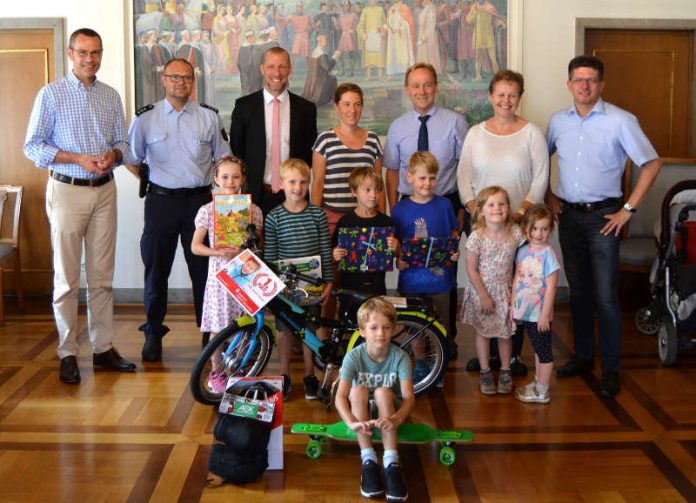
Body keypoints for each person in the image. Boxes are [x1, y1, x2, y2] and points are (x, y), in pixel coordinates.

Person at [23, 27, 136, 384]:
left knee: (102, 278)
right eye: (84, 52)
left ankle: (103, 348)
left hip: (105, 191)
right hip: (67, 190)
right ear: (70, 54)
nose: (91, 59)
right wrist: (75, 158)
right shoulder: (51, 95)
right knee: (68, 279)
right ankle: (68, 352)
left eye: (96, 52)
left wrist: (113, 155)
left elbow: (124, 145)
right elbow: (33, 146)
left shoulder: (111, 96)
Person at [547, 55, 662, 398]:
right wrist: (548, 196)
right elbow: (539, 161)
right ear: (569, 84)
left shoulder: (621, 121)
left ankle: (610, 370)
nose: (584, 86)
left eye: (591, 80)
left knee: (606, 297)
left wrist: (628, 209)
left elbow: (653, 163)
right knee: (579, 293)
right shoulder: (557, 122)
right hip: (567, 216)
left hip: (604, 219)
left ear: (601, 85)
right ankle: (583, 356)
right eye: (578, 80)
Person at [129, 57, 231, 362]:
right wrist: (156, 182)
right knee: (156, 268)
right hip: (160, 202)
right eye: (175, 77)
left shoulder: (208, 117)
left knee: (205, 271)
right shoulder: (146, 118)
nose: (181, 83)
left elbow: (224, 160)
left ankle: (208, 332)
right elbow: (131, 158)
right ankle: (153, 332)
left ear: (193, 82)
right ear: (163, 79)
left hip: (200, 202)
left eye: (186, 78)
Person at [457, 69, 548, 375]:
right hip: (482, 223)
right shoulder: (476, 133)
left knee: (515, 287)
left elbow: (540, 180)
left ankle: (512, 357)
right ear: (490, 96)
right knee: (486, 284)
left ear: (519, 97)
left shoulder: (532, 133)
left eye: (512, 94)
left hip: (519, 225)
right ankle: (489, 354)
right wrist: (475, 212)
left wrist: (519, 214)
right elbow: (464, 176)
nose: (506, 100)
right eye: (500, 94)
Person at [384, 62, 468, 357]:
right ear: (408, 89)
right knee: (412, 274)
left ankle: (447, 340)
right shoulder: (398, 127)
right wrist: (395, 209)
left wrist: (462, 210)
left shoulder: (455, 122)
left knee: (446, 273)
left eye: (428, 84)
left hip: (446, 203)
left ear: (436, 87)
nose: (422, 91)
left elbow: (466, 167)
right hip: (408, 206)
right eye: (416, 85)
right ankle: (415, 341)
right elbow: (392, 171)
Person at [263, 159, 334, 399]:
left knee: (309, 330)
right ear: (281, 183)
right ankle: (284, 376)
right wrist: (274, 286)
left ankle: (309, 376)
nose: (298, 187)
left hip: (312, 284)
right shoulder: (273, 217)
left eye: (303, 182)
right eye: (292, 181)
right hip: (284, 286)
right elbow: (271, 256)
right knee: (284, 331)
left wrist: (329, 282)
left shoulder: (317, 215)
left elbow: (326, 250)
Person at [191, 157, 263, 394]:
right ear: (215, 179)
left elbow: (258, 245)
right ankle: (218, 371)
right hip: (220, 279)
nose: (230, 182)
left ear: (243, 178)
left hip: (245, 276)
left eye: (235, 176)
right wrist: (218, 252)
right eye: (224, 177)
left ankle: (240, 370)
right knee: (219, 329)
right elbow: (195, 246)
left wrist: (245, 249)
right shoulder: (207, 210)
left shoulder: (252, 210)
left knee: (244, 326)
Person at [334, 296, 414, 501]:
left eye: (387, 327)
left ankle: (391, 461)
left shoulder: (401, 357)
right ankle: (368, 459)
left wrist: (396, 419)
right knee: (357, 390)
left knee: (382, 392)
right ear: (362, 331)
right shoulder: (353, 357)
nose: (381, 333)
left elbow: (408, 398)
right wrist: (351, 423)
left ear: (394, 328)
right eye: (374, 328)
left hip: (388, 410)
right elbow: (341, 397)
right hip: (361, 410)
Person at [392, 152, 459, 387]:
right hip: (411, 280)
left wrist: (454, 249)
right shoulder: (400, 209)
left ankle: (439, 364)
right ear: (409, 177)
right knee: (415, 324)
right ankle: (421, 363)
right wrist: (398, 259)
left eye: (431, 178)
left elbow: (453, 234)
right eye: (421, 178)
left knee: (442, 321)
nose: (427, 183)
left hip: (440, 280)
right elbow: (396, 243)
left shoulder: (444, 205)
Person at [230, 47, 318, 216]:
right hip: (255, 196)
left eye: (282, 67)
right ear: (262, 69)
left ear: (290, 69)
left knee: (293, 243)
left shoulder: (306, 109)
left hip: (294, 197)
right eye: (271, 66)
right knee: (255, 243)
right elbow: (237, 150)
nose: (276, 72)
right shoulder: (244, 107)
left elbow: (309, 156)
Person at [460, 186, 524, 395]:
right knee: (484, 332)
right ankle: (485, 370)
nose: (497, 208)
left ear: (508, 208)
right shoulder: (477, 237)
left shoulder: (515, 232)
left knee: (506, 333)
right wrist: (484, 296)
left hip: (506, 290)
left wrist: (519, 289)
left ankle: (506, 369)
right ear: (481, 210)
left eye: (502, 204)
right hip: (483, 291)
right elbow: (471, 269)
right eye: (491, 204)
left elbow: (524, 258)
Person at [312, 83, 385, 233]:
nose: (352, 110)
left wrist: (382, 218)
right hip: (332, 219)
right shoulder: (325, 139)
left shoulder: (372, 139)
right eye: (346, 104)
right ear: (336, 106)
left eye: (357, 104)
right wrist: (315, 220)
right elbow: (317, 183)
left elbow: (379, 184)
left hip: (367, 217)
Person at [512, 204, 560, 404]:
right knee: (537, 351)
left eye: (544, 228)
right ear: (525, 229)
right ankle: (538, 381)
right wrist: (513, 306)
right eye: (535, 228)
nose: (539, 233)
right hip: (525, 311)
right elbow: (517, 278)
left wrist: (544, 314)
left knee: (544, 352)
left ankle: (542, 390)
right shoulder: (523, 251)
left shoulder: (548, 254)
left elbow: (551, 288)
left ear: (550, 230)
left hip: (539, 314)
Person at [332, 167, 399, 295]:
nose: (373, 195)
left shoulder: (386, 222)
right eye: (367, 190)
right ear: (354, 191)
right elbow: (333, 252)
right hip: (349, 289)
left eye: (377, 190)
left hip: (377, 288)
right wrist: (335, 254)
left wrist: (396, 247)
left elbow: (397, 254)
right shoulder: (345, 222)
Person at [302, 34, 339, 108]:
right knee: (333, 79)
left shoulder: (316, 51)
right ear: (319, 41)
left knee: (332, 76)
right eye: (325, 40)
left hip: (314, 80)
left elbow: (321, 68)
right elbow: (327, 67)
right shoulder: (321, 53)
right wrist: (335, 56)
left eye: (326, 40)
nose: (327, 42)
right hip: (320, 82)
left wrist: (329, 72)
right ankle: (331, 99)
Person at [357, 0, 387, 81]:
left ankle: (380, 76)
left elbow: (385, 22)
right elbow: (361, 24)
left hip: (378, 36)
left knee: (379, 56)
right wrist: (363, 34)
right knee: (369, 56)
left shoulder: (380, 9)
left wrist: (382, 30)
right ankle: (369, 76)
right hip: (369, 36)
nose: (372, 1)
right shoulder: (365, 10)